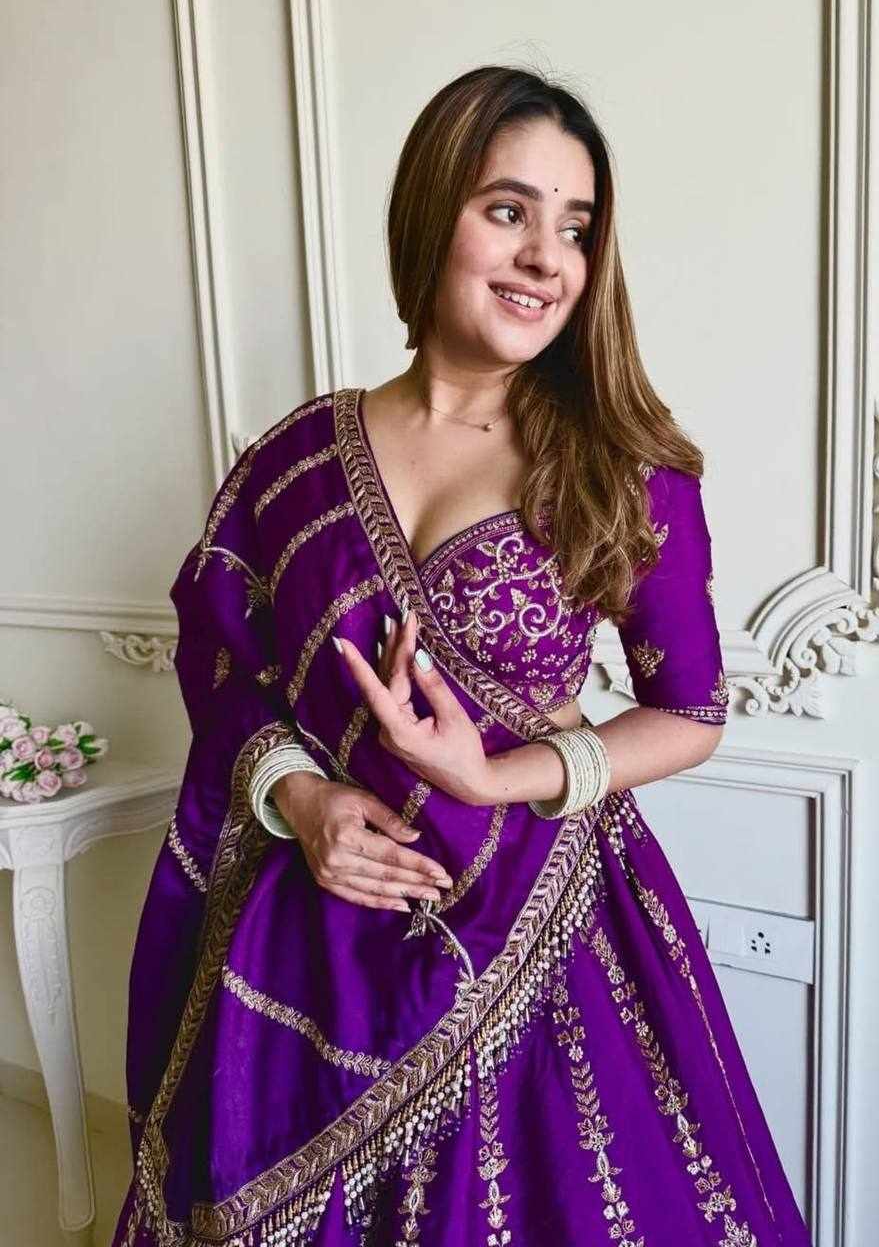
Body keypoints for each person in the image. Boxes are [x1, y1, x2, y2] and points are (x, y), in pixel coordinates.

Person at [111, 65, 812, 1247]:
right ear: (431, 213)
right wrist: (302, 797)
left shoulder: (621, 463)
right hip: (318, 923)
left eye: (575, 227)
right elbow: (228, 662)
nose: (546, 257)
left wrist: (493, 775)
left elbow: (689, 710)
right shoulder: (296, 457)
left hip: (538, 930)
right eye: (507, 209)